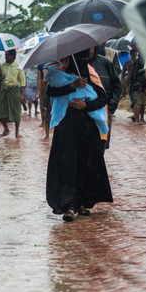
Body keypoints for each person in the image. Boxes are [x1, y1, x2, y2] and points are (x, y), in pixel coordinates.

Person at [44, 54, 113, 222]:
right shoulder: (59, 77)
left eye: (69, 61)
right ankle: (69, 204)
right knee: (67, 165)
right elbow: (50, 91)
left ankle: (83, 202)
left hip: (87, 131)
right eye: (64, 60)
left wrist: (86, 105)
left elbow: (103, 98)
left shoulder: (90, 79)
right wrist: (72, 85)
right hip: (66, 129)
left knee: (86, 165)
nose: (66, 64)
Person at [90, 45, 122, 148]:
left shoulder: (105, 63)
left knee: (102, 141)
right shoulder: (77, 65)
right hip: (84, 110)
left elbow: (117, 84)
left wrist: (113, 102)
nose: (90, 50)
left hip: (104, 109)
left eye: (92, 46)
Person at [0, 50, 25, 138]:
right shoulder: (2, 66)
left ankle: (17, 132)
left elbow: (23, 82)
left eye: (7, 55)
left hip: (14, 91)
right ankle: (6, 129)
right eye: (5, 55)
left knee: (15, 111)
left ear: (12, 56)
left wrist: (22, 94)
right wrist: (0, 75)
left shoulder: (18, 67)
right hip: (3, 90)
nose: (5, 57)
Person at [38, 63, 52, 142]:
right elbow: (44, 80)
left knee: (48, 113)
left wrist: (40, 93)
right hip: (56, 93)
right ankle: (47, 135)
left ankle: (47, 136)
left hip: (52, 92)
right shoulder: (64, 64)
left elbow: (44, 80)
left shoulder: (47, 65)